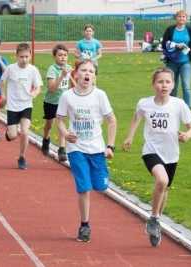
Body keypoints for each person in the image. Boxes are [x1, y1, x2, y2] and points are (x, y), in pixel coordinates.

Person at [122, 67, 191, 247]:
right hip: (151, 150)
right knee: (161, 181)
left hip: (172, 154)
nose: (164, 85)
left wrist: (187, 135)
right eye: (160, 82)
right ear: (153, 84)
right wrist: (130, 136)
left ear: (172, 84)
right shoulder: (144, 103)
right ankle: (154, 218)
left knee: (165, 189)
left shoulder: (179, 104)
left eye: (168, 82)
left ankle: (156, 221)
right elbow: (136, 119)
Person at [56, 60, 117, 243]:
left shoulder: (100, 95)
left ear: (94, 77)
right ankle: (84, 225)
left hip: (97, 148)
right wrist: (66, 134)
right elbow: (59, 119)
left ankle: (98, 179)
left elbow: (112, 120)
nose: (86, 74)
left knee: (100, 186)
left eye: (90, 71)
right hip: (77, 149)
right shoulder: (67, 96)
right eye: (83, 70)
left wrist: (110, 146)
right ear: (76, 74)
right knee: (84, 188)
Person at [0, 43, 43, 170]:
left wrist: (35, 92)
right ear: (16, 56)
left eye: (26, 56)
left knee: (25, 132)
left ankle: (22, 157)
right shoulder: (10, 69)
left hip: (26, 105)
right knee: (13, 135)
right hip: (12, 106)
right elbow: (2, 81)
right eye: (21, 57)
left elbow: (38, 86)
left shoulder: (33, 70)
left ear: (30, 56)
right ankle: (9, 133)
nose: (24, 59)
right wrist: (3, 95)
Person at [161, 10, 191, 112]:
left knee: (186, 86)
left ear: (186, 18)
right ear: (176, 18)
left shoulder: (189, 30)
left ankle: (188, 108)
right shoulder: (170, 30)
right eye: (179, 17)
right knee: (172, 87)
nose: (181, 18)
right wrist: (175, 45)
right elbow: (164, 44)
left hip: (185, 62)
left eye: (183, 17)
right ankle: (171, 107)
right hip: (171, 62)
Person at [41, 44, 73, 161]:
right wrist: (62, 75)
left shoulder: (69, 68)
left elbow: (71, 85)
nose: (63, 57)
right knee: (49, 125)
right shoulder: (52, 69)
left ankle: (62, 149)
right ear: (54, 56)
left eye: (65, 55)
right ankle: (46, 139)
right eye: (60, 55)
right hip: (51, 102)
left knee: (61, 124)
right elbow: (52, 88)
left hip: (63, 102)